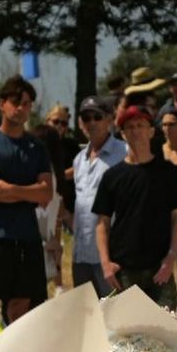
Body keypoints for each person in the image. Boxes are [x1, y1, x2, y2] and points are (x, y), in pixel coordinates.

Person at [0, 76, 53, 322]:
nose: (21, 108)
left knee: (23, 304)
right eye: (16, 101)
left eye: (27, 103)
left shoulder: (36, 147)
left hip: (27, 237)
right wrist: (29, 193)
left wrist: (10, 189)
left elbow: (46, 194)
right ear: (2, 104)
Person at [92, 106, 177, 309]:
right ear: (123, 134)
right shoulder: (112, 176)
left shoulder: (168, 172)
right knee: (127, 336)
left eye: (141, 125)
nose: (135, 131)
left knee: (165, 332)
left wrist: (171, 257)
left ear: (151, 131)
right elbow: (102, 223)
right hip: (123, 270)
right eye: (130, 127)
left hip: (160, 269)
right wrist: (105, 263)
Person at [70, 95, 127, 296]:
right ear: (79, 123)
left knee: (116, 319)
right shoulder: (79, 160)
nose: (92, 122)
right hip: (81, 254)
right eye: (86, 117)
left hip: (111, 256)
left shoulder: (124, 153)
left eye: (97, 116)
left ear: (110, 119)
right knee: (87, 319)